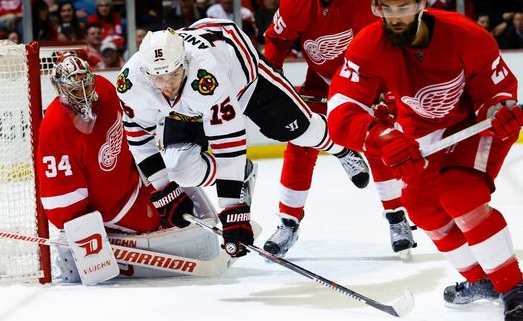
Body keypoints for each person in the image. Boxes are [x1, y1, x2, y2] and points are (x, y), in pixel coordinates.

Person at [326, 0, 523, 321]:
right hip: (420, 133)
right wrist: (379, 136)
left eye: (403, 7)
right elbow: (341, 108)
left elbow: (497, 94)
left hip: (473, 126)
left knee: (458, 193)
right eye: (386, 7)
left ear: (422, 1)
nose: (393, 17)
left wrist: (500, 109)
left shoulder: (467, 36)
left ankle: (515, 289)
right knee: (422, 208)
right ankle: (479, 280)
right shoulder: (369, 44)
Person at [117, 20, 366, 258]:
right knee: (180, 170)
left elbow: (229, 145)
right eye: (158, 78)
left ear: (185, 61)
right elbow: (137, 132)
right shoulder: (131, 81)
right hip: (189, 107)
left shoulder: (206, 76)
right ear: (145, 71)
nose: (168, 85)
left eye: (173, 75)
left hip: (245, 81)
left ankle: (341, 149)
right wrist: (164, 187)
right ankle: (244, 174)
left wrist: (233, 209)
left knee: (304, 132)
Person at [263, 0, 413, 259]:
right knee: (302, 140)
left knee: (377, 138)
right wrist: (274, 83)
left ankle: (397, 217)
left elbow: (386, 46)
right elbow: (276, 41)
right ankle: (288, 222)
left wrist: (387, 91)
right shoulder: (294, 1)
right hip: (319, 81)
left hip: (361, 82)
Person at [37, 52, 224, 283]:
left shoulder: (104, 89)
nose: (85, 95)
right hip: (114, 206)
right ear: (61, 89)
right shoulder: (55, 126)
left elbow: (132, 127)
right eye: (76, 90)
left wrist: (148, 164)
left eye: (87, 85)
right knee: (152, 220)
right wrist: (82, 230)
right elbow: (60, 194)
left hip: (134, 173)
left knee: (176, 183)